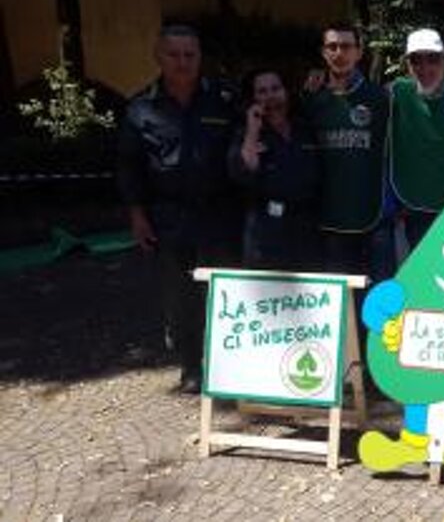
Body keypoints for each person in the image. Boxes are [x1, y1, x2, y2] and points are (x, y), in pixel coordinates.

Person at [117, 24, 241, 394]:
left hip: (219, 213)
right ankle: (191, 366)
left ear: (200, 57)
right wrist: (137, 215)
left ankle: (231, 365)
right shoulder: (141, 107)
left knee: (225, 291)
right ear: (159, 56)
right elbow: (128, 166)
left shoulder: (224, 99)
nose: (183, 62)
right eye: (174, 54)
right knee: (179, 296)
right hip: (169, 217)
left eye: (190, 55)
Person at [302, 22, 390, 276]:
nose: (339, 53)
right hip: (327, 219)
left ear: (359, 52)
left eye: (346, 46)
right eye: (332, 46)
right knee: (338, 297)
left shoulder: (380, 98)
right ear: (323, 52)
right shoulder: (311, 99)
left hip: (374, 217)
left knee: (379, 298)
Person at [387, 28, 444, 252]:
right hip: (412, 205)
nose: (425, 67)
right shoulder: (396, 92)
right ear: (407, 64)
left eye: (433, 59)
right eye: (416, 60)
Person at [229, 68, 320, 271]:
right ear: (253, 98)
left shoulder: (304, 128)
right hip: (266, 231)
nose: (270, 95)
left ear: (286, 91)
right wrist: (253, 130)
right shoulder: (246, 133)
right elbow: (243, 172)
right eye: (262, 91)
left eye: (275, 88)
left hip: (307, 230)